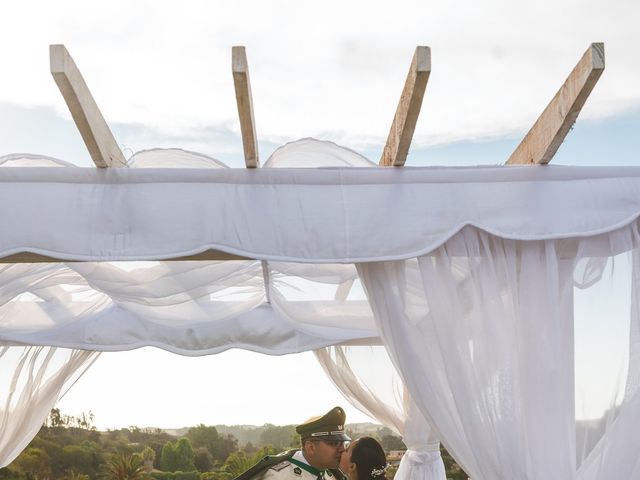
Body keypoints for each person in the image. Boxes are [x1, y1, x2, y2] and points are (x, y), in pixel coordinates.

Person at [234, 406, 350, 480]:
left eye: (342, 443)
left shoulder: (333, 475)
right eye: (334, 444)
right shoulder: (278, 477)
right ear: (311, 447)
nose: (342, 449)